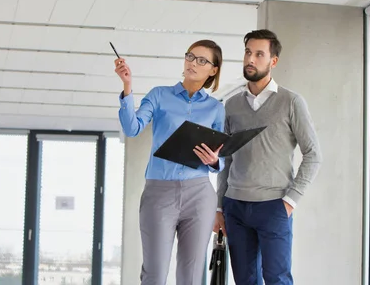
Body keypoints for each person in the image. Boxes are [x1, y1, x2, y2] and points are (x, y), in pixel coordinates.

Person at [214, 29, 322, 285]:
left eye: (259, 54)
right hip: (235, 207)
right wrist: (220, 207)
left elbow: (313, 155)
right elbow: (225, 160)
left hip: (274, 205)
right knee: (244, 280)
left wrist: (290, 201)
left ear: (273, 61)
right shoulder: (231, 106)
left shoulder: (291, 102)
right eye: (248, 52)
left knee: (277, 279)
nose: (251, 59)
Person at [115, 40, 226, 285]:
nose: (192, 63)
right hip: (159, 193)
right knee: (154, 274)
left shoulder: (216, 108)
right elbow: (132, 128)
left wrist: (215, 161)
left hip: (199, 194)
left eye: (201, 60)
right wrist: (127, 87)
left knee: (192, 276)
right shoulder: (159, 95)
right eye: (190, 56)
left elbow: (222, 160)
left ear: (213, 70)